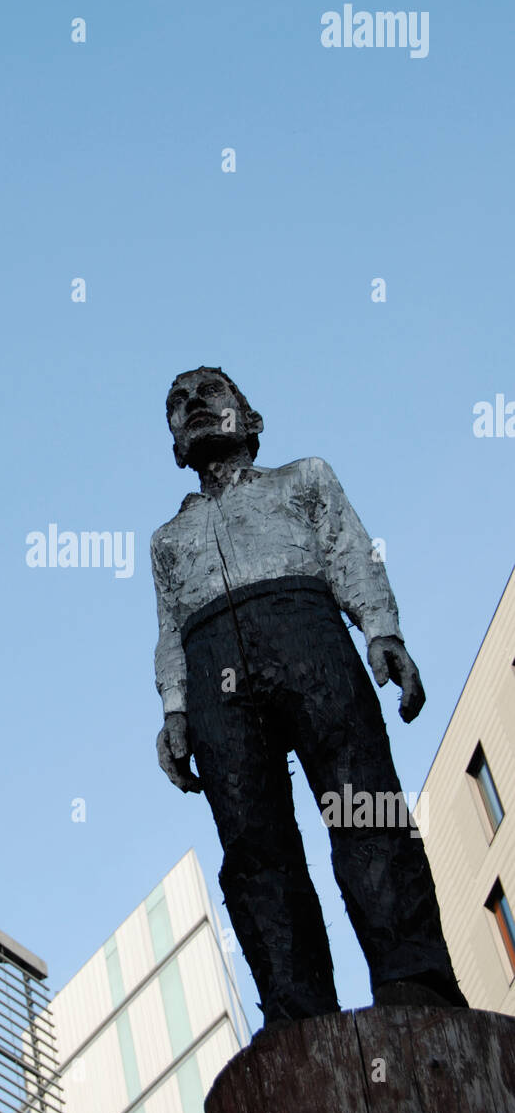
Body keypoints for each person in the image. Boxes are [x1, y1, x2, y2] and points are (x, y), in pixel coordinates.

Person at [151, 366, 467, 1026]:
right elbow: (169, 630)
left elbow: (350, 552)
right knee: (252, 845)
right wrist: (175, 708)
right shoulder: (168, 541)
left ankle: (416, 983)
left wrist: (382, 630)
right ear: (174, 443)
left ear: (249, 417)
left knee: (364, 805)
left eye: (209, 394)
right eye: (177, 405)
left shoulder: (305, 479)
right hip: (213, 670)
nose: (192, 408)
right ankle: (297, 1014)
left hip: (309, 636)